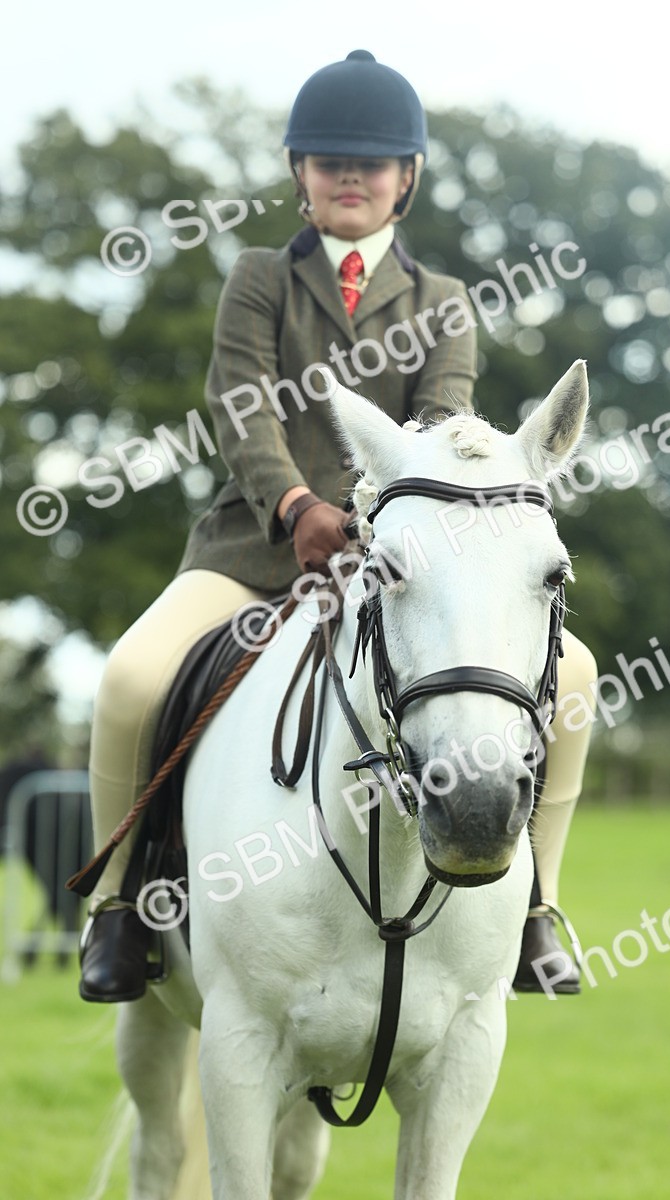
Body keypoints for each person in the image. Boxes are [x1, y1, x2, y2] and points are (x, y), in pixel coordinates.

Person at [78, 49, 597, 1003]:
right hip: (251, 550)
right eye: (330, 162)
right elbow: (240, 406)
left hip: (393, 557)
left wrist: (385, 524)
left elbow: (441, 425)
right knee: (131, 679)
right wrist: (295, 506)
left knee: (575, 674)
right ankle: (116, 906)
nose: (349, 177)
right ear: (301, 174)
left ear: (407, 178)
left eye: (371, 164)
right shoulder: (258, 278)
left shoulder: (443, 303)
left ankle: (535, 906)